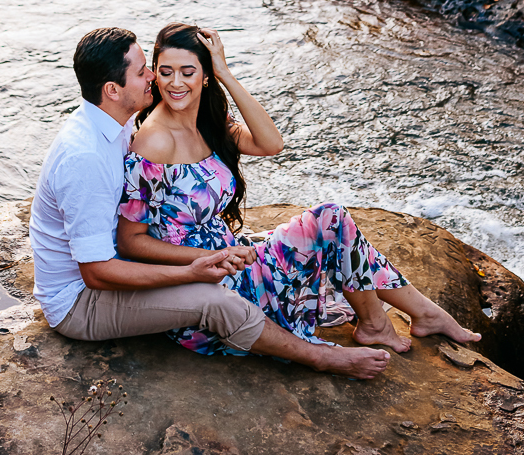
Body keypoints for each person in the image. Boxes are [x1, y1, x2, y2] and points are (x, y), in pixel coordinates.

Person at [30, 26, 393, 378]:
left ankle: (400, 316)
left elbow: (268, 144)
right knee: (213, 299)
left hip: (122, 269)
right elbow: (95, 273)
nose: (155, 77)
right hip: (79, 304)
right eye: (144, 72)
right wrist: (192, 270)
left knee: (312, 230)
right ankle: (321, 357)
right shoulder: (86, 157)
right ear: (112, 89)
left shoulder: (116, 119)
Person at [117, 22, 482, 358]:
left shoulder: (208, 122)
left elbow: (271, 143)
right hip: (209, 290)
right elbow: (131, 241)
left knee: (331, 221)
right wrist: (209, 260)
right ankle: (382, 323)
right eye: (165, 72)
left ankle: (417, 316)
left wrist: (226, 73)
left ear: (206, 76)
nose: (175, 83)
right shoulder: (154, 143)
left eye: (188, 71)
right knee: (330, 220)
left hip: (234, 261)